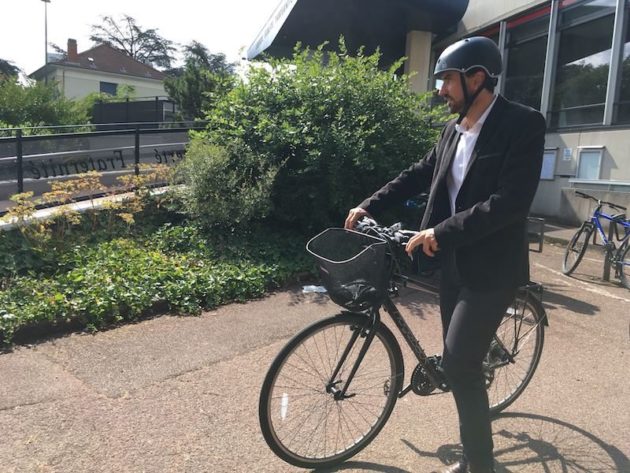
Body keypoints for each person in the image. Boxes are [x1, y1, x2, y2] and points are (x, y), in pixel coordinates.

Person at [344, 36, 546, 473]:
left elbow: (509, 202)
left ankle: (481, 465)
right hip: (453, 263)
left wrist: (441, 229)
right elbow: (420, 173)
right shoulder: (453, 129)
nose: (440, 91)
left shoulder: (523, 124)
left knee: (458, 365)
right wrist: (369, 204)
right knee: (461, 358)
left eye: (447, 81)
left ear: (478, 79)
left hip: (493, 268)